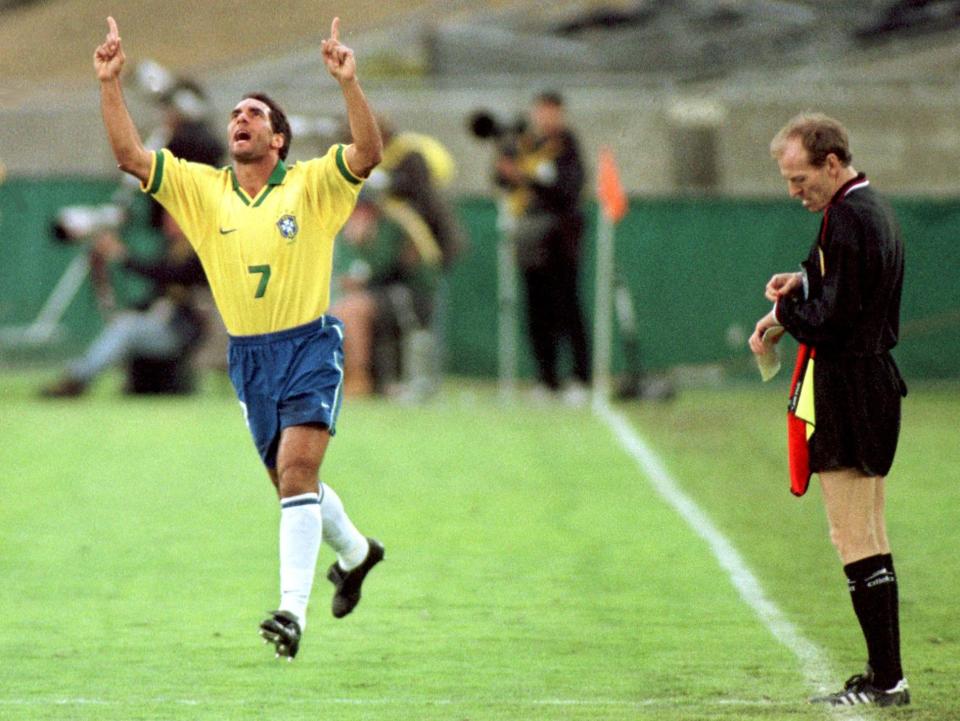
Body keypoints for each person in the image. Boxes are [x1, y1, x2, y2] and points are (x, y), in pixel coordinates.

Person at [93, 15, 384, 660]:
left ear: (278, 137)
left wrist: (349, 84)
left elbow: (368, 154)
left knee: (300, 469)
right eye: (234, 113)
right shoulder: (204, 191)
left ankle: (291, 614)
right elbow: (130, 157)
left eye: (254, 112)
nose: (239, 119)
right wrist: (110, 84)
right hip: (248, 358)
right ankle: (358, 553)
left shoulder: (312, 184)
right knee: (291, 483)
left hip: (308, 343)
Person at [749, 113, 909, 707]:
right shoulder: (870, 209)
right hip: (872, 383)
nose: (794, 192)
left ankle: (886, 679)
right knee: (869, 532)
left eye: (799, 179)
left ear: (832, 163)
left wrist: (787, 316)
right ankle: (887, 676)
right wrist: (802, 283)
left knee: (850, 535)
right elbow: (846, 289)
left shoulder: (845, 217)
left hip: (848, 387)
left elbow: (834, 321)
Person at [40, 209, 207, 397]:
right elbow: (157, 289)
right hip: (163, 325)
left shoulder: (199, 251)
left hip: (180, 331)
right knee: (124, 322)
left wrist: (122, 255)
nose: (169, 223)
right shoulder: (171, 248)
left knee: (126, 328)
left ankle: (77, 379)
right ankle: (81, 376)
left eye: (175, 219)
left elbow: (168, 274)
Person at [495, 91, 590, 404]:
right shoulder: (525, 144)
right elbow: (502, 180)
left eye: (551, 112)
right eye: (541, 111)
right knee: (537, 312)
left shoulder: (567, 146)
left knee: (567, 308)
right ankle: (546, 378)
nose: (545, 118)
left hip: (561, 240)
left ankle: (579, 377)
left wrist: (529, 178)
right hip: (530, 239)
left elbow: (568, 188)